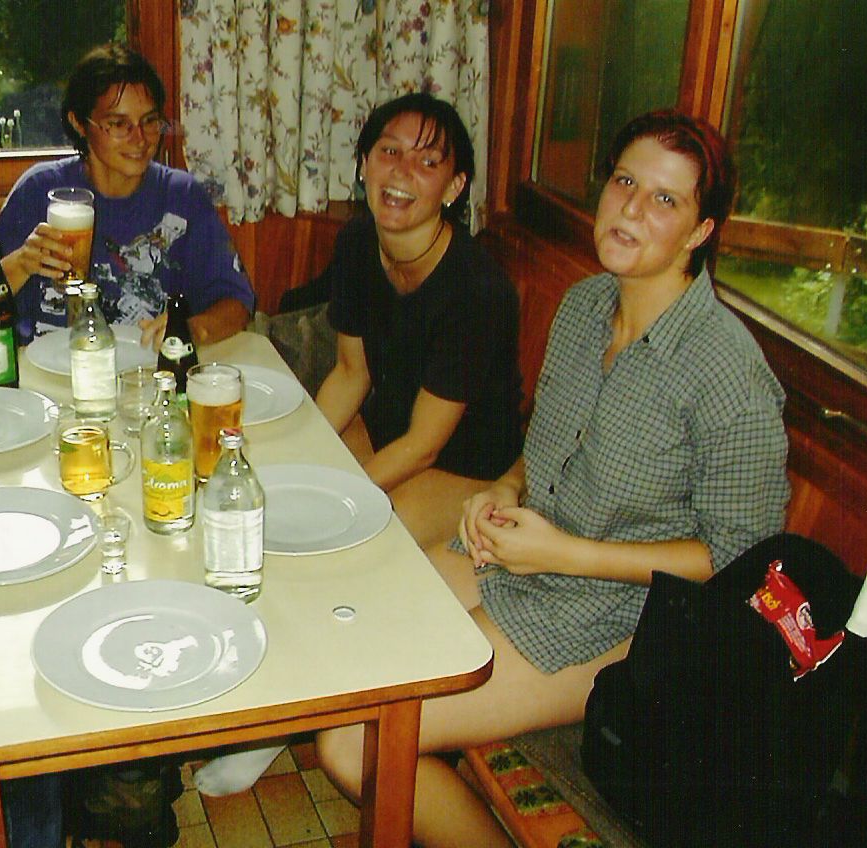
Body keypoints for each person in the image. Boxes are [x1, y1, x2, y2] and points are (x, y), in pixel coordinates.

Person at [315, 109, 791, 847]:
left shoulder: (727, 372)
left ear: (699, 232)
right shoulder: (586, 306)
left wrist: (567, 554)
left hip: (624, 619)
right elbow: (544, 450)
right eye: (625, 182)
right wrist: (505, 489)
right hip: (529, 558)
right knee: (350, 638)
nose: (631, 208)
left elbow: (742, 560)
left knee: (353, 742)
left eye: (665, 199)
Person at [316, 93, 523, 549]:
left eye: (428, 162)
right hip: (388, 432)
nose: (402, 171)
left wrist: (337, 497)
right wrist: (300, 462)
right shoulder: (357, 242)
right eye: (389, 151)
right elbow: (351, 373)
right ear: (364, 165)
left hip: (466, 463)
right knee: (291, 467)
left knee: (366, 536)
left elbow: (425, 445)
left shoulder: (477, 289)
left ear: (453, 188)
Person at [0, 43, 254, 349]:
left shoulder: (182, 196)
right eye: (118, 124)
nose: (139, 139)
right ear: (79, 123)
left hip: (146, 370)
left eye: (149, 121)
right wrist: (21, 264)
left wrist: (192, 329)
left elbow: (237, 302)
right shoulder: (39, 190)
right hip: (45, 370)